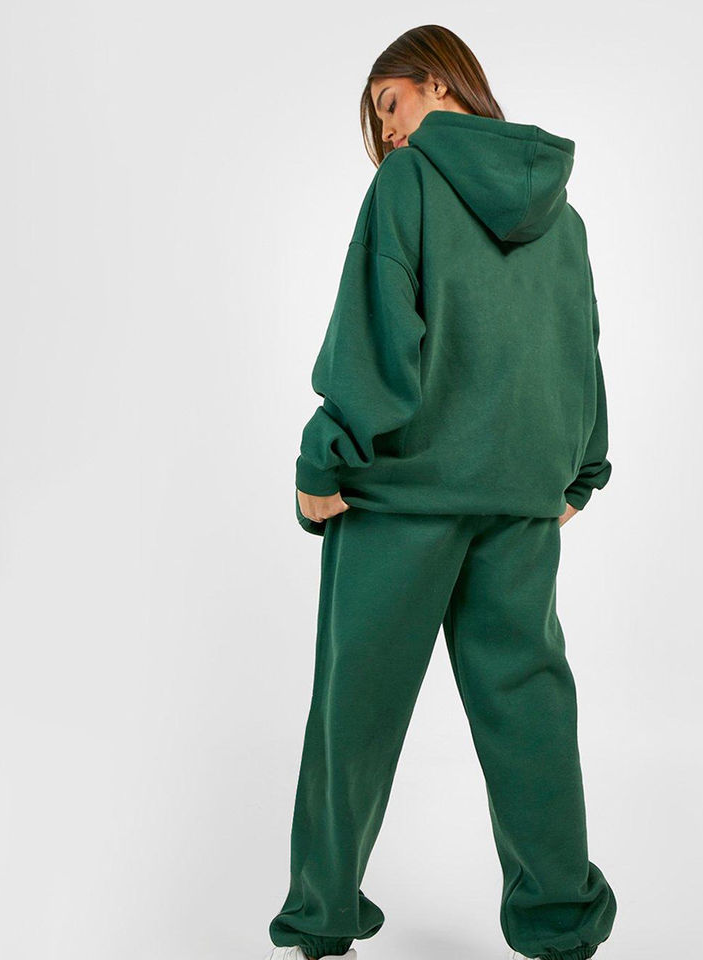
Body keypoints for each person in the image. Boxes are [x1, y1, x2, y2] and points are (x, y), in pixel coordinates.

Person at [265, 23, 617, 960]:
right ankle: (560, 924)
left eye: (390, 104)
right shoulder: (566, 218)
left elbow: (378, 334)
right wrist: (583, 467)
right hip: (521, 504)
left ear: (440, 83)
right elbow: (579, 347)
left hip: (404, 496)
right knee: (528, 711)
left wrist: (324, 460)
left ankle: (322, 920)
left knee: (355, 714)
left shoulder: (408, 184)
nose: (386, 133)